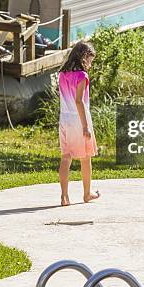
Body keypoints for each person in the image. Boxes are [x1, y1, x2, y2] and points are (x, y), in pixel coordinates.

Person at [58, 41, 100, 206]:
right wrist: (85, 126)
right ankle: (87, 193)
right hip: (78, 118)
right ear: (83, 58)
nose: (90, 64)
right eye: (89, 60)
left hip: (64, 119)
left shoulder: (63, 74)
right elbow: (79, 101)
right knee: (85, 158)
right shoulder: (82, 76)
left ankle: (64, 196)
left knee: (66, 157)